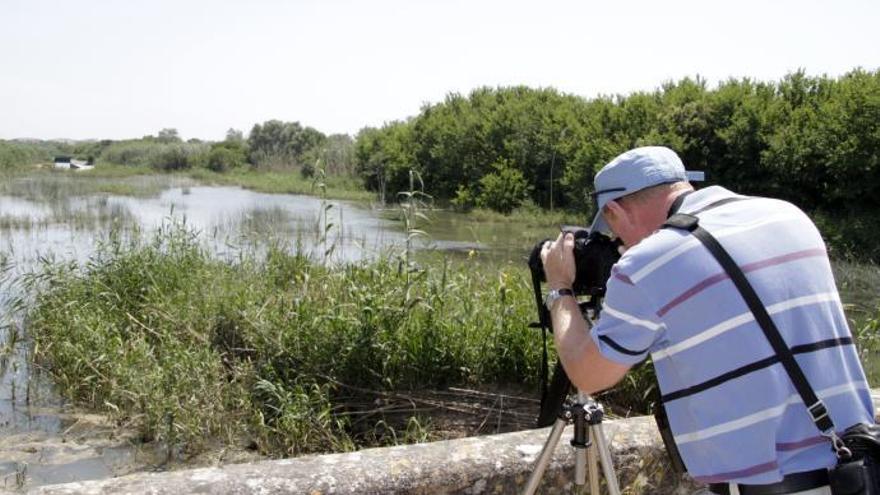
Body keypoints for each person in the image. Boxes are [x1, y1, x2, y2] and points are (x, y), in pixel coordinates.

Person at [540, 146, 874, 495]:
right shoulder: (789, 217)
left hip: (768, 486)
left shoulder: (648, 264)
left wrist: (560, 288)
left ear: (613, 211)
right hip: (853, 470)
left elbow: (588, 374)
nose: (618, 243)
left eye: (613, 230)